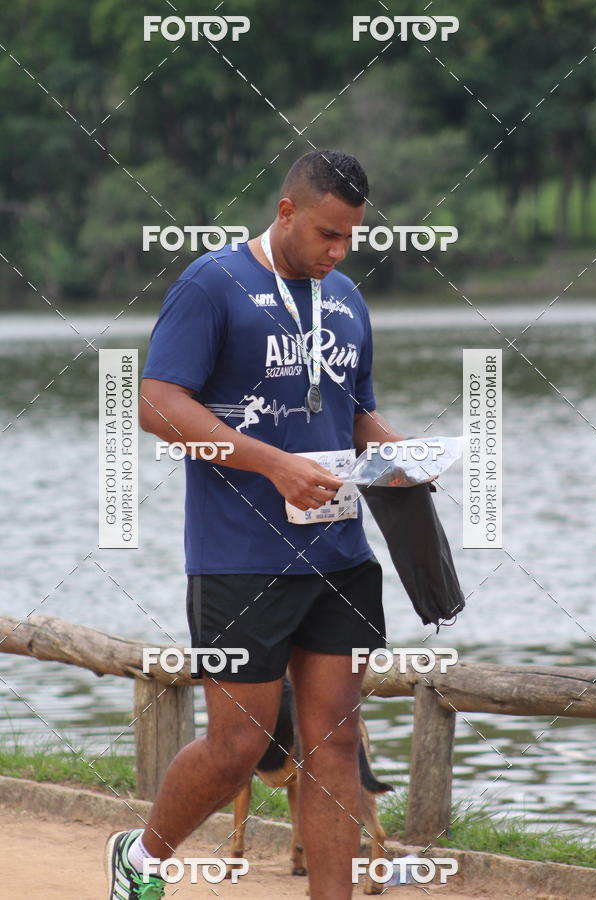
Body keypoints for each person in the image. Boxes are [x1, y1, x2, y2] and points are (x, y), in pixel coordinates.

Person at [105, 149, 406, 900]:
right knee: (239, 745)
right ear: (285, 212)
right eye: (327, 235)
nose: (337, 253)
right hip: (239, 558)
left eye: (350, 239)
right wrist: (273, 464)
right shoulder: (212, 283)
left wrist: (399, 449)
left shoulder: (344, 299)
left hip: (339, 553)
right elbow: (155, 403)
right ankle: (141, 857)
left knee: (334, 745)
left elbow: (354, 410)